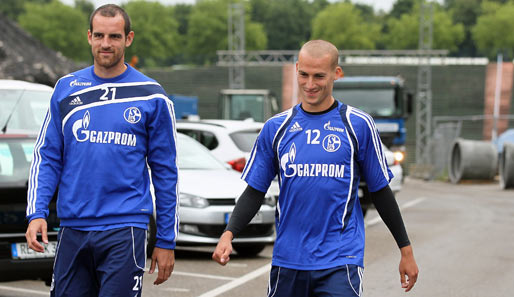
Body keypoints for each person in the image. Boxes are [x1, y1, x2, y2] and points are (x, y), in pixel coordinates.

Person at [212, 40, 419, 296]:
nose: (310, 84)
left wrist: (405, 250)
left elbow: (381, 192)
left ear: (337, 73)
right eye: (304, 75)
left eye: (319, 76)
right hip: (288, 259)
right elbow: (255, 191)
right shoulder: (276, 128)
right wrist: (229, 233)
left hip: (340, 259)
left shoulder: (358, 125)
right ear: (297, 69)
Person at [25, 4, 178, 296]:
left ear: (128, 38)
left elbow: (166, 173)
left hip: (125, 229)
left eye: (114, 37)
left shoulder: (153, 96)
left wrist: (166, 240)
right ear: (89, 37)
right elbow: (47, 157)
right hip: (73, 228)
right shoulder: (66, 89)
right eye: (99, 36)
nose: (106, 44)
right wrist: (37, 213)